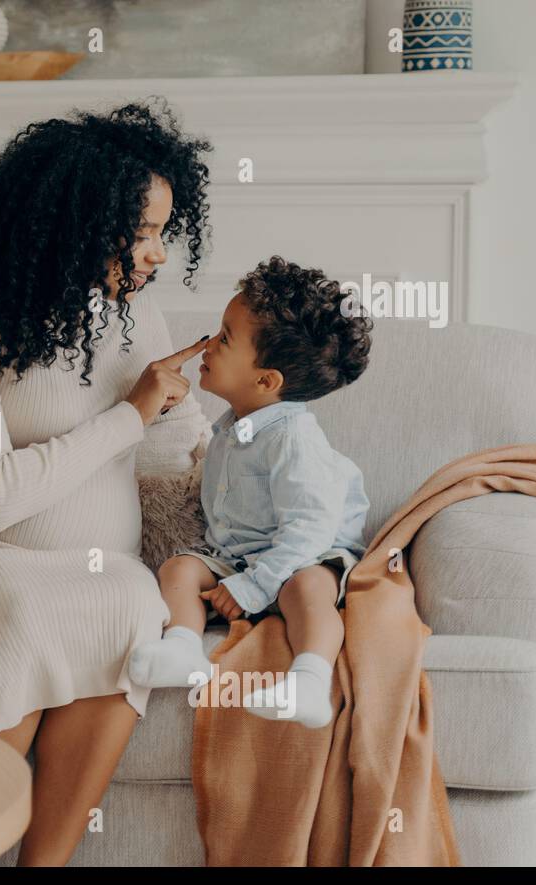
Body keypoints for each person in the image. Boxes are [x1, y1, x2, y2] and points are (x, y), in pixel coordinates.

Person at [0, 99, 213, 866]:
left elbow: (177, 455)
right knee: (32, 611)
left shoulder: (141, 321)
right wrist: (132, 413)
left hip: (97, 569)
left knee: (132, 608)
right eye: (141, 234)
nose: (158, 255)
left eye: (164, 234)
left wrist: (236, 432)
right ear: (73, 221)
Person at [129, 256, 374, 730]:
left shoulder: (292, 439)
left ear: (266, 381)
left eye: (224, 339)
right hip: (238, 553)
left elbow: (310, 528)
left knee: (308, 588)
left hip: (305, 553)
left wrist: (257, 586)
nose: (208, 345)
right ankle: (182, 647)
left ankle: (309, 681)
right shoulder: (233, 427)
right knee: (179, 567)